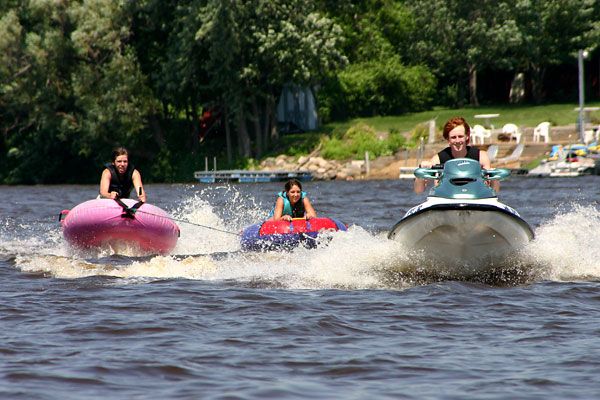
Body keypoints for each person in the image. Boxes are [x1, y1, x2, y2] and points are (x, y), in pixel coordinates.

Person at [414, 116, 499, 194]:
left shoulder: (481, 157)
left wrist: (494, 177)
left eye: (460, 136)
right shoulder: (437, 159)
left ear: (467, 137)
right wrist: (421, 172)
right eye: (453, 137)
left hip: (475, 197)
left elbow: (494, 190)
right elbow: (419, 191)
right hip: (445, 199)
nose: (457, 141)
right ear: (448, 139)